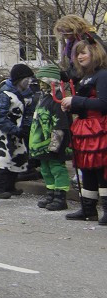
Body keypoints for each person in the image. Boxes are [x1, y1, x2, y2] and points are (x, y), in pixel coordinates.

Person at [61, 40, 107, 222]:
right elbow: (85, 103)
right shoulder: (86, 77)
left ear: (94, 53)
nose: (79, 57)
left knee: (101, 168)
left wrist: (76, 102)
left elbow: (104, 104)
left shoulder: (103, 75)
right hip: (85, 128)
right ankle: (88, 209)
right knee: (86, 168)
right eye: (77, 54)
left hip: (99, 127)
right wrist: (71, 106)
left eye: (83, 53)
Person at [0, 64, 37, 199]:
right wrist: (15, 129)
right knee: (1, 159)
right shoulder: (4, 95)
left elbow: (28, 115)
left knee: (17, 158)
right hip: (0, 132)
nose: (30, 82)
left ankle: (9, 186)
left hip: (16, 131)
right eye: (27, 79)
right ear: (19, 79)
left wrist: (25, 128)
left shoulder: (27, 95)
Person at [29, 64, 71, 212]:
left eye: (44, 82)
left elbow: (60, 124)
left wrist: (55, 144)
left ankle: (60, 196)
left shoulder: (58, 99)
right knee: (46, 169)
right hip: (41, 142)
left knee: (57, 168)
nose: (41, 85)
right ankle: (51, 192)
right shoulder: (43, 97)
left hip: (54, 142)